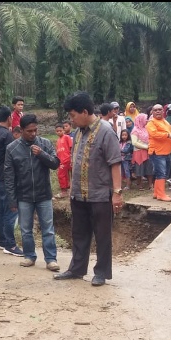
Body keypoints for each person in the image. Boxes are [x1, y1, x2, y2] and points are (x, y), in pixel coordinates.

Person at [54, 92, 123, 286]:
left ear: (85, 112)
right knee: (79, 234)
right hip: (78, 195)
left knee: (102, 236)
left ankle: (101, 273)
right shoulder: (78, 133)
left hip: (100, 195)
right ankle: (76, 269)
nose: (71, 120)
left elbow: (115, 163)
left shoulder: (106, 132)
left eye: (73, 116)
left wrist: (117, 193)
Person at [4, 114, 61, 271]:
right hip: (24, 196)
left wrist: (41, 154)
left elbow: (56, 164)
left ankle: (51, 259)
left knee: (48, 229)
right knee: (26, 229)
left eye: (35, 130)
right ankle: (29, 256)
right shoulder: (12, 149)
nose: (33, 134)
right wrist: (12, 200)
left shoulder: (45, 143)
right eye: (29, 131)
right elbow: (9, 177)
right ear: (21, 130)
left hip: (44, 194)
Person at [0, 106, 23, 256]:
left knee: (1, 207)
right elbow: (13, 158)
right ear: (9, 118)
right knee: (11, 208)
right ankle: (10, 244)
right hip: (7, 177)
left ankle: (2, 240)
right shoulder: (7, 135)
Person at [147, 104, 171, 202]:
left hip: (167, 151)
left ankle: (157, 193)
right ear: (152, 112)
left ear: (163, 111)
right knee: (161, 173)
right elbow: (155, 134)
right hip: (157, 152)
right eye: (155, 110)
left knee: (164, 173)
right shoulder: (150, 123)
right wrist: (168, 135)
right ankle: (161, 195)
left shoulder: (166, 123)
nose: (158, 111)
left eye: (160, 109)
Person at [131, 113, 154, 190]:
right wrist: (146, 147)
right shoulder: (135, 130)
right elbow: (134, 143)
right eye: (145, 119)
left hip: (147, 151)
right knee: (139, 168)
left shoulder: (146, 129)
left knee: (149, 167)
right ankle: (140, 185)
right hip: (139, 151)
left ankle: (150, 184)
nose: (146, 121)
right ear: (141, 120)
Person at [54, 123, 73, 198]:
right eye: (57, 131)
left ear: (63, 130)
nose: (59, 132)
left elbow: (71, 147)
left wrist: (71, 157)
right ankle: (67, 189)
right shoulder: (58, 140)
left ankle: (64, 191)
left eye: (60, 130)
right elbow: (58, 151)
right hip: (61, 160)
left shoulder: (67, 137)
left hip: (67, 159)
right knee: (64, 175)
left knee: (61, 175)